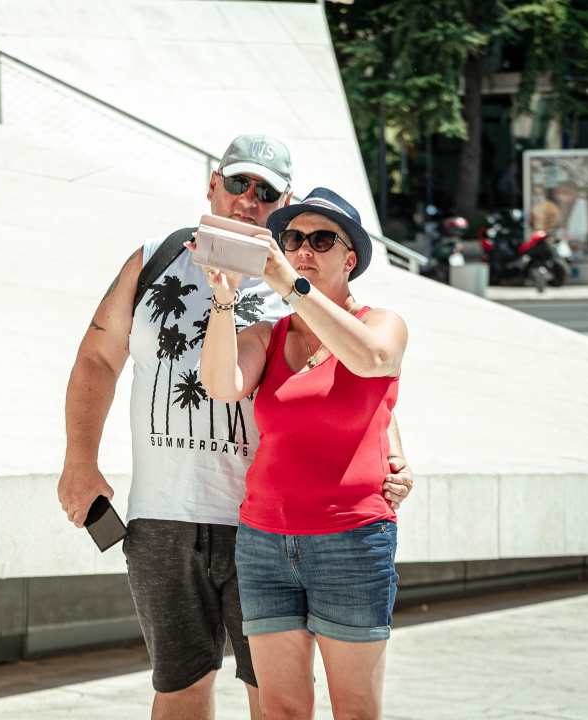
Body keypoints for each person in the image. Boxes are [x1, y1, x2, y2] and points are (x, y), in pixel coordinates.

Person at [58, 136, 414, 720]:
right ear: (213, 185)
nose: (250, 200)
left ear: (285, 201)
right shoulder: (157, 256)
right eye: (239, 183)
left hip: (260, 527)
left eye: (268, 192)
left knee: (271, 698)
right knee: (179, 690)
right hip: (165, 516)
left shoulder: (298, 282)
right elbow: (98, 358)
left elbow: (366, 381)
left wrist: (393, 458)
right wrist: (79, 461)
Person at [196, 187, 407, 720]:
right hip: (265, 542)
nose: (303, 248)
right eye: (292, 238)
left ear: (350, 257)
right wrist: (223, 298)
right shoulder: (270, 334)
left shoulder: (382, 324)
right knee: (282, 709)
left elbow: (372, 359)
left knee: (355, 709)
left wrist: (292, 286)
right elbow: (221, 384)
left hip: (352, 542)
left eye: (320, 239)